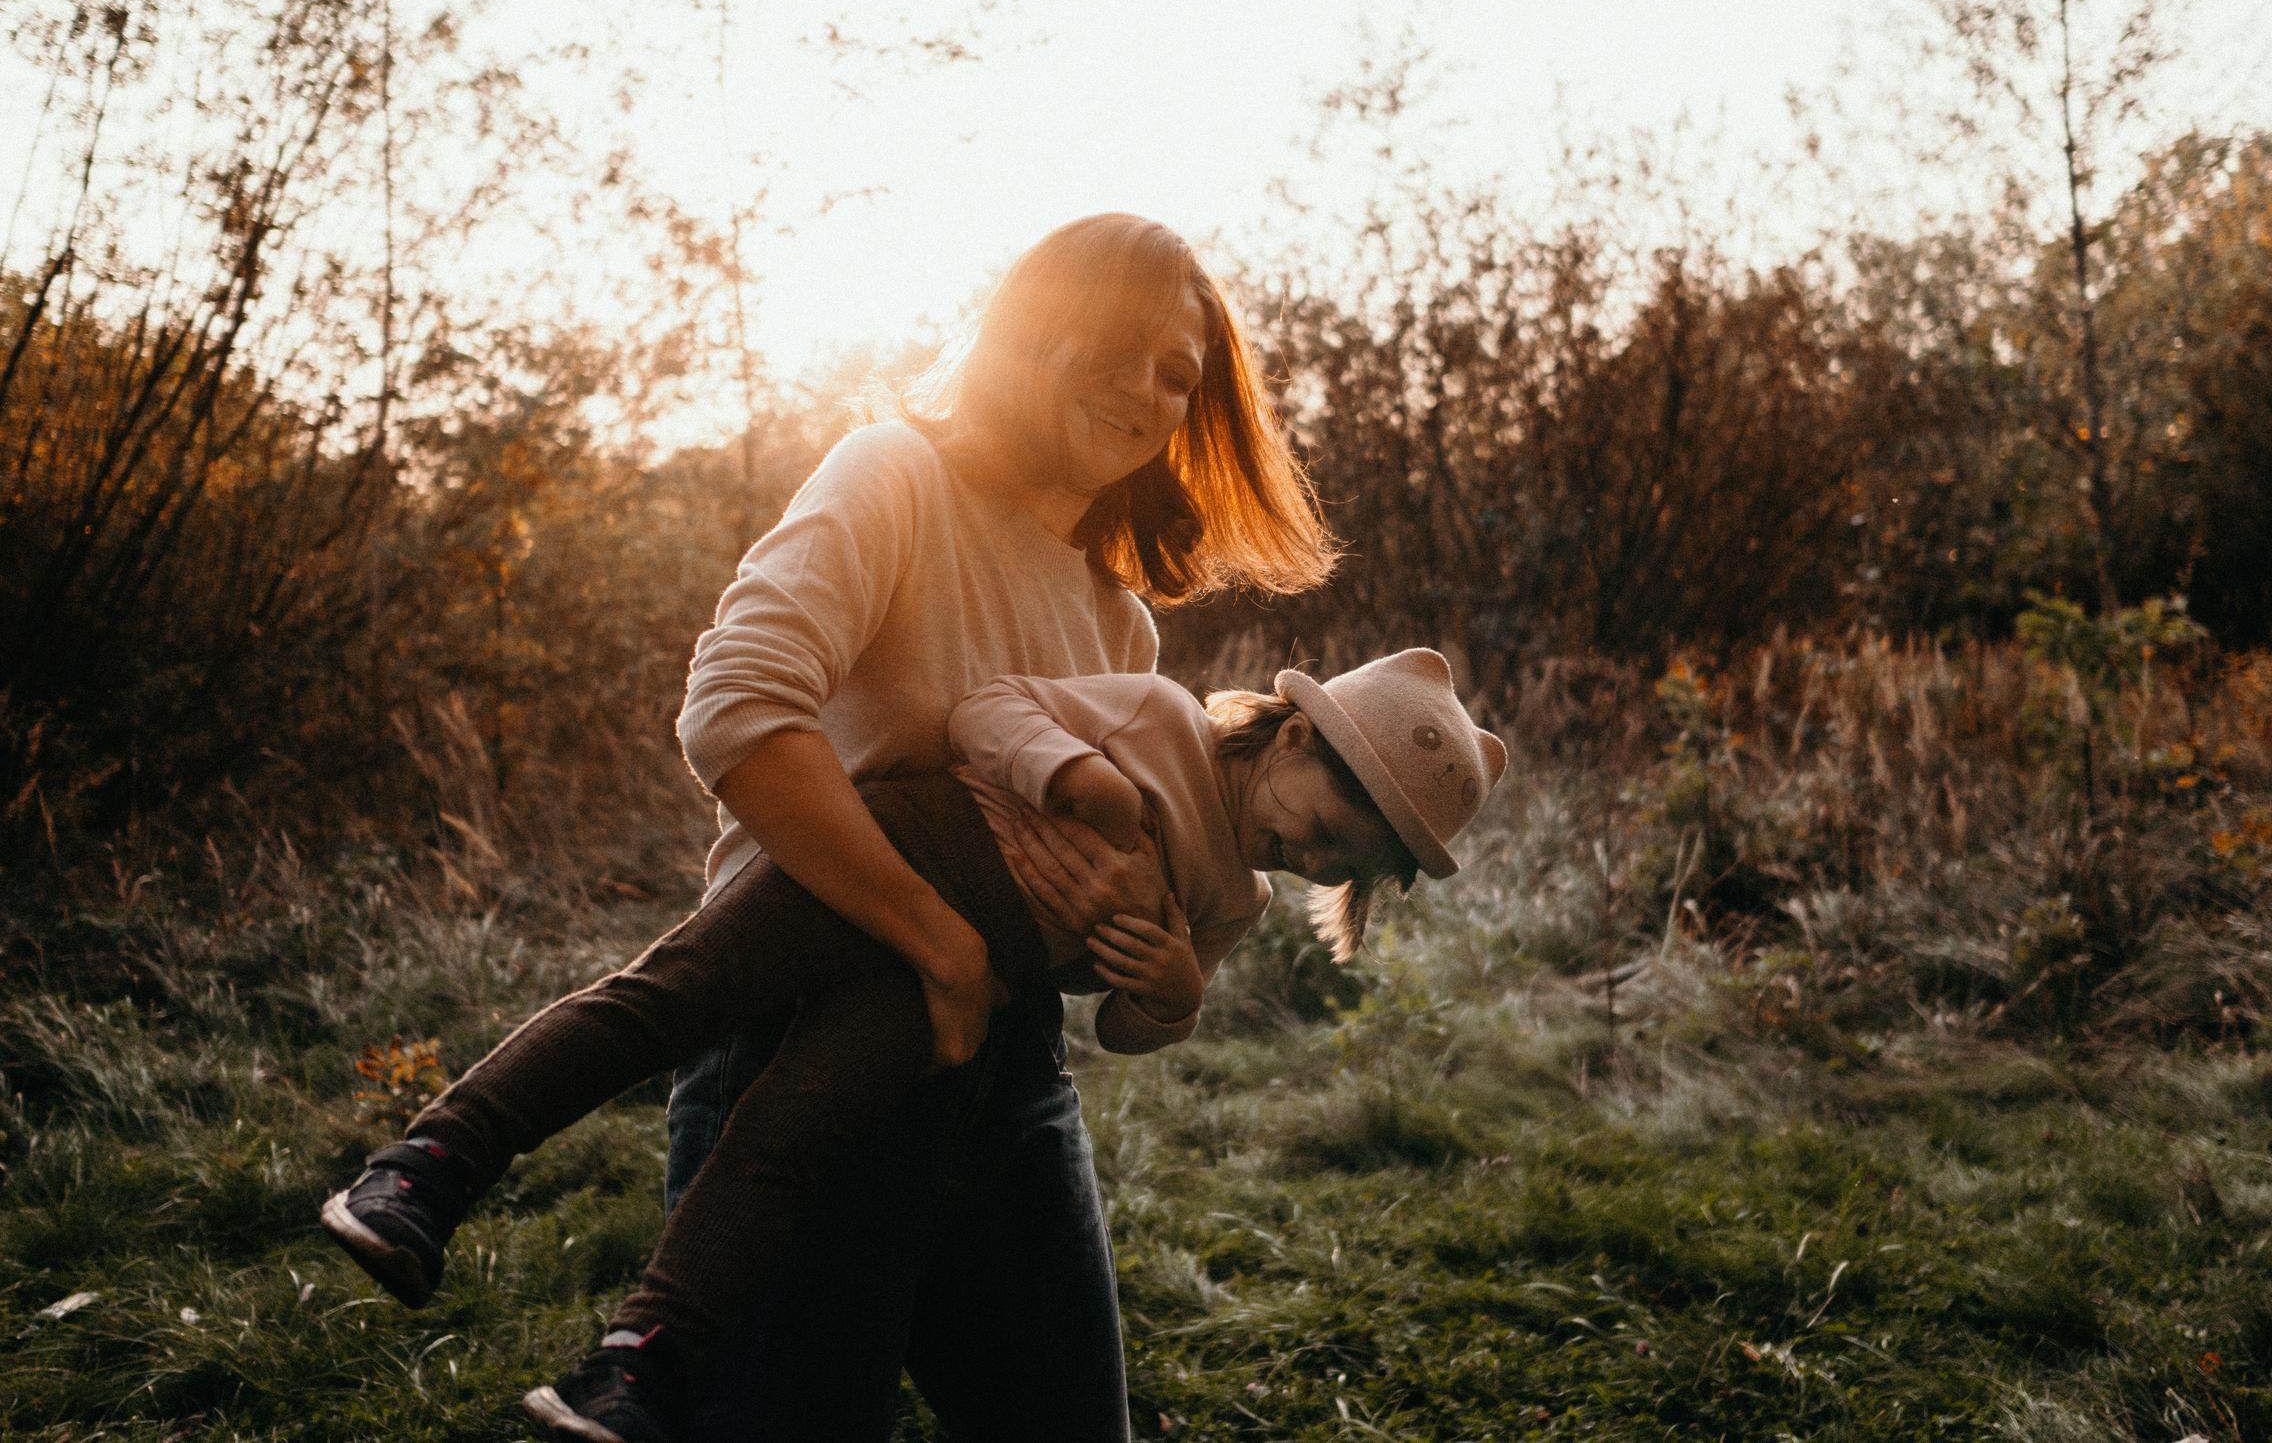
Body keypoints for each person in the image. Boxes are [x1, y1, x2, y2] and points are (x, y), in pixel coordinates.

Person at [346, 214, 1329, 1441]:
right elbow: (739, 716)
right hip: (793, 1032)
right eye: (1116, 347)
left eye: (1177, 376)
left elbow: (1071, 887)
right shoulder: (894, 475)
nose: (1145, 391)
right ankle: (446, 1175)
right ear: (1033, 332)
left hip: (1002, 1077)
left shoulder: (1115, 624)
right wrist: (940, 942)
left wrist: (1155, 963)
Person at [319, 650, 1508, 1442]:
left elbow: (1122, 1025)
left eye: (1345, 867)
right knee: (667, 999)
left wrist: (1170, 995)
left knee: (785, 1133)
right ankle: (426, 1170)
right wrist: (1080, 781)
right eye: (1323, 825)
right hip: (891, 855)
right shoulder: (1151, 716)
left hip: (961, 978)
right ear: (1292, 735)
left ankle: (639, 1361)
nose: (1311, 859)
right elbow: (988, 707)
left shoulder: (1231, 907)